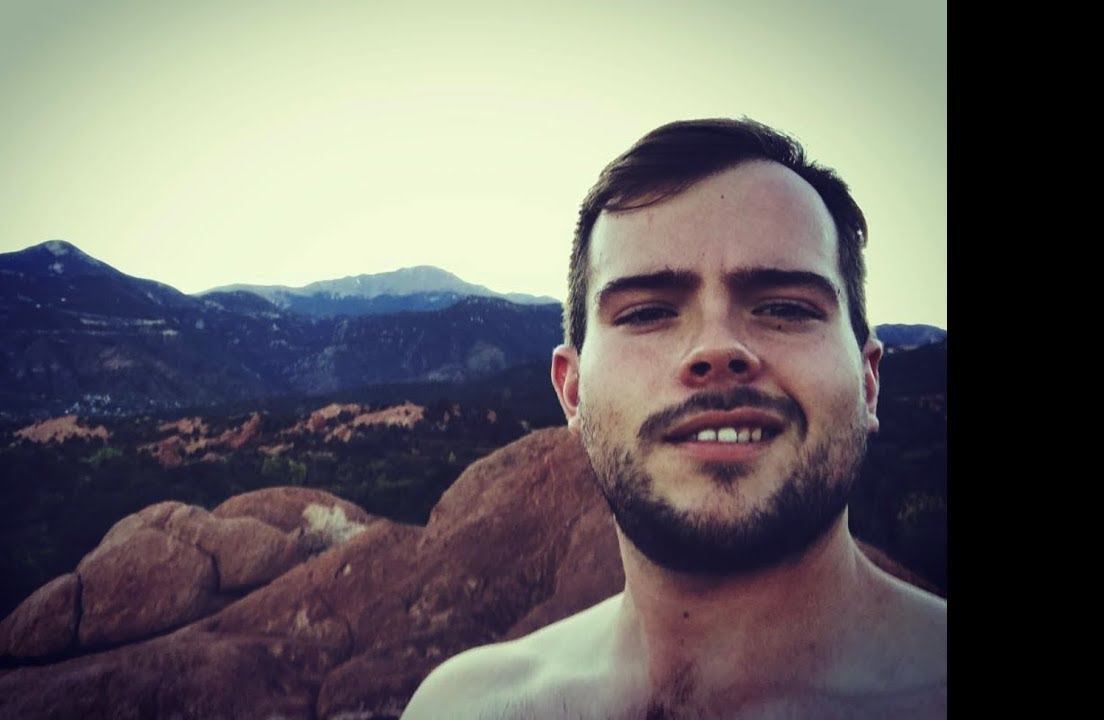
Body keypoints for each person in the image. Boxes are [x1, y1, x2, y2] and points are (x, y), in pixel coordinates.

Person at [402, 118, 946, 719]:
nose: (716, 348)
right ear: (572, 390)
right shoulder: (467, 709)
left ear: (869, 382)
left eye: (787, 307)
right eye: (647, 313)